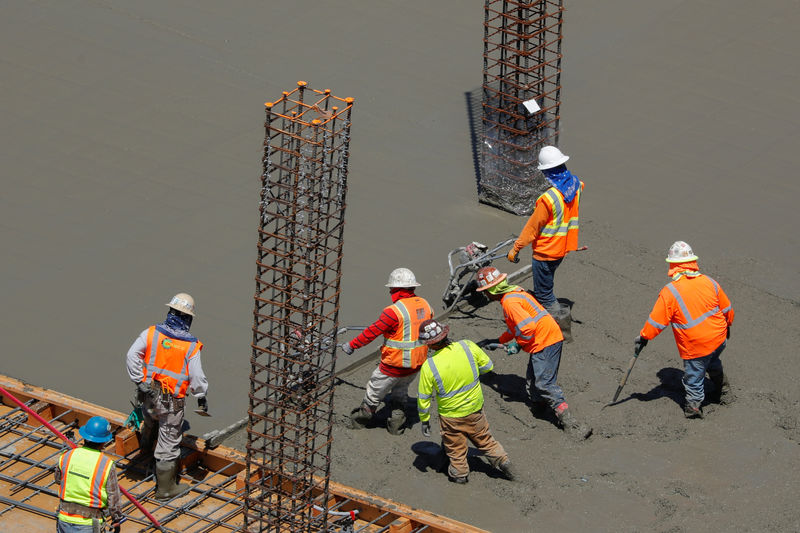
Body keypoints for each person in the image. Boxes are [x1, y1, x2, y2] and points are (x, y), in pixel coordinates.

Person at [476, 266, 591, 439]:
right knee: (533, 381)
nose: (485, 295)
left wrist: (517, 345)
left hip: (545, 341)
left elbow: (527, 329)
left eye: (485, 291)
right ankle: (539, 407)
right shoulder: (515, 293)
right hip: (546, 337)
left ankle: (572, 423)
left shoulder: (509, 302)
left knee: (544, 383)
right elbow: (517, 326)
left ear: (492, 289)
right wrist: (499, 341)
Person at [635, 241, 735, 419]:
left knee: (694, 377)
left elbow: (656, 322)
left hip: (696, 346)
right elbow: (728, 310)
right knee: (713, 361)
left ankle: (694, 407)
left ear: (673, 265)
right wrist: (728, 325)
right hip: (719, 338)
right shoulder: (709, 282)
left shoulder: (670, 292)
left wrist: (643, 337)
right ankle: (724, 391)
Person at [126, 292, 208, 500]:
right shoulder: (191, 345)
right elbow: (196, 376)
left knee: (150, 419)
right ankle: (165, 489)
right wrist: (201, 396)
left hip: (149, 394)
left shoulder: (152, 333)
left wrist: (140, 381)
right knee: (169, 443)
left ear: (170, 311)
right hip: (172, 401)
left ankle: (145, 451)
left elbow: (131, 355)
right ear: (188, 318)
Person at [416, 319, 514, 484]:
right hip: (475, 408)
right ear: (445, 334)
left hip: (451, 417)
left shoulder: (429, 366)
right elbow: (488, 366)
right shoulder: (467, 346)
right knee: (485, 439)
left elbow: (424, 399)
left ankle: (459, 475)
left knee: (456, 449)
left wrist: (425, 420)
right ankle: (504, 463)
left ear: (429, 345)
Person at [341, 268, 433, 434]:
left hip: (393, 366)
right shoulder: (426, 305)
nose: (390, 291)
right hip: (416, 364)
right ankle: (396, 427)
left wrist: (351, 346)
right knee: (400, 392)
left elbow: (371, 332)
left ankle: (359, 421)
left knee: (374, 393)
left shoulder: (393, 311)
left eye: (391, 288)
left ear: (397, 289)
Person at [506, 145, 583, 337]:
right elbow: (581, 185)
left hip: (545, 253)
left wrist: (516, 249)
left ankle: (559, 329)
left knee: (544, 294)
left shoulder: (547, 199)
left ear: (547, 172)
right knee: (546, 286)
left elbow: (532, 228)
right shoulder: (575, 185)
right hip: (562, 249)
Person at [55, 416, 123, 533]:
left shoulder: (67, 456)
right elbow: (113, 496)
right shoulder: (106, 464)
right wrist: (116, 518)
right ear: (104, 442)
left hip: (64, 518)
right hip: (88, 523)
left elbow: (58, 479)